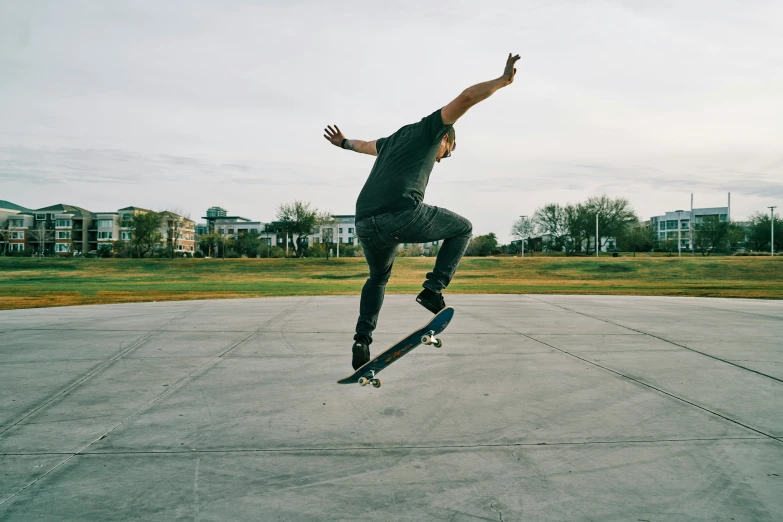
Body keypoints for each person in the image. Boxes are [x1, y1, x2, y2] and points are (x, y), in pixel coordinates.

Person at [324, 53, 521, 370]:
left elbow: (362, 145)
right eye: (448, 151)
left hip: (364, 221)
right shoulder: (433, 129)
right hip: (400, 213)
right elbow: (468, 97)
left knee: (377, 278)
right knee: (463, 228)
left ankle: (362, 340)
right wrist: (502, 81)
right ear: (446, 139)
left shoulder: (391, 141)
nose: (442, 158)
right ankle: (432, 290)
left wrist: (343, 142)